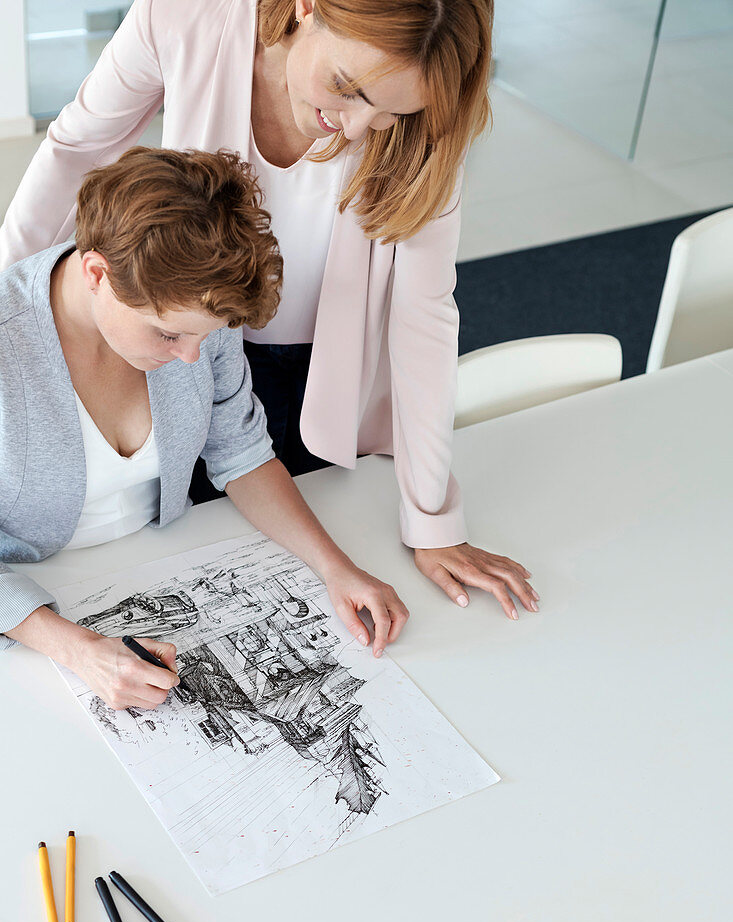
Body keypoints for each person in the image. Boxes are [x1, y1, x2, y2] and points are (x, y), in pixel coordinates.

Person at [0, 0, 540, 621]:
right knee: (172, 532)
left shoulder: (421, 116)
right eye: (346, 88)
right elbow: (75, 151)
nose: (358, 127)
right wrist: (18, 316)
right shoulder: (184, 17)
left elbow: (425, 315)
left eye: (391, 113)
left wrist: (432, 519)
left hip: (324, 370)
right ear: (305, 7)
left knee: (304, 552)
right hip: (189, 341)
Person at [0, 146, 408, 709]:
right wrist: (81, 651)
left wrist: (336, 569)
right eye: (169, 336)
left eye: (205, 336)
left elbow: (241, 453)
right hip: (31, 612)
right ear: (98, 273)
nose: (193, 358)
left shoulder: (195, 311)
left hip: (164, 562)